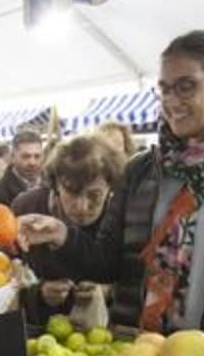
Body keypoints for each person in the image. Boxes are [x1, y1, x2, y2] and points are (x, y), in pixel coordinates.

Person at [17, 30, 204, 356]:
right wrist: (61, 234)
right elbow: (108, 264)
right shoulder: (140, 171)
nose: (172, 101)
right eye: (165, 89)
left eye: (186, 86)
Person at [12, 135, 122, 322]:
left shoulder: (119, 216)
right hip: (37, 333)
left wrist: (110, 290)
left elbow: (133, 279)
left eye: (94, 195)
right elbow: (0, 279)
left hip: (103, 339)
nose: (81, 206)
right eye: (71, 192)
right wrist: (38, 294)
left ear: (111, 187)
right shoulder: (27, 207)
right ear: (55, 185)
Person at [0, 128, 45, 206]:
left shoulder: (51, 185)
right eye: (26, 156)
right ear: (13, 157)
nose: (32, 162)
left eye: (37, 156)